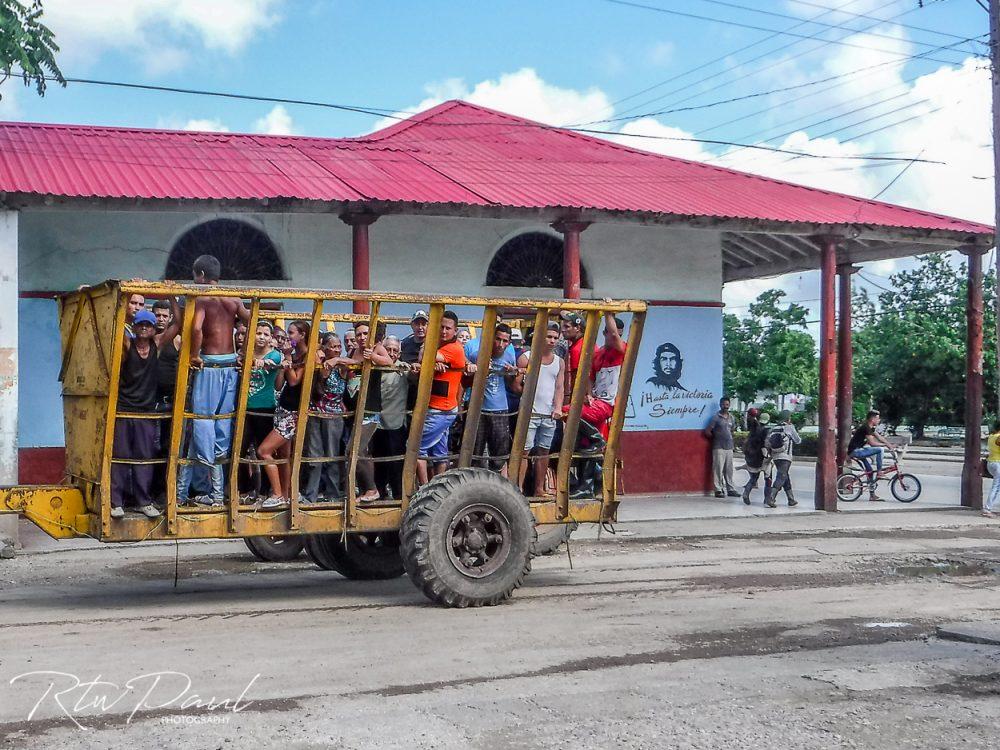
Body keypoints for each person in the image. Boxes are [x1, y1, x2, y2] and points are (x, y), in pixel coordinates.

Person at [176, 255, 249, 507]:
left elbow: (196, 329)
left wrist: (194, 355)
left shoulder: (202, 298)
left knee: (203, 422)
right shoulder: (233, 298)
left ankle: (193, 494)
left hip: (210, 364)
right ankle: (217, 494)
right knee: (222, 423)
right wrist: (243, 352)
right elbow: (252, 319)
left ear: (201, 276)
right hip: (230, 364)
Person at [112, 305, 181, 519]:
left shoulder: (157, 345)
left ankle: (144, 501)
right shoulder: (126, 344)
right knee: (121, 456)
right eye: (140, 324)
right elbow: (114, 324)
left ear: (153, 329)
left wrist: (171, 296)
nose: (144, 328)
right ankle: (116, 502)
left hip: (147, 411)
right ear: (134, 326)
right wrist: (125, 298)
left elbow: (178, 323)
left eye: (148, 325)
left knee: (144, 456)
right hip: (124, 409)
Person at [257, 319, 311, 509]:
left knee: (264, 451)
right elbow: (279, 384)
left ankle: (278, 494)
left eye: (292, 332)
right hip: (283, 407)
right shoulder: (293, 355)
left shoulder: (307, 355)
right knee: (282, 456)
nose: (289, 336)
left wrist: (287, 358)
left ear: (302, 335)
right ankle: (286, 496)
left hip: (293, 413)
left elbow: (295, 381)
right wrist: (284, 363)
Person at [513, 322, 565, 497]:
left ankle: (539, 489)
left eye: (555, 338)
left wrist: (558, 407)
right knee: (524, 452)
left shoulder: (559, 362)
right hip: (530, 414)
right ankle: (518, 489)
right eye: (548, 336)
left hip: (549, 414)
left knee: (544, 452)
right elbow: (516, 386)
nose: (551, 341)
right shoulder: (526, 357)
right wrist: (526, 399)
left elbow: (559, 387)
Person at [343, 321, 393, 503]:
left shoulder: (377, 348)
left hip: (370, 410)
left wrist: (372, 356)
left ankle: (372, 489)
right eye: (359, 334)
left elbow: (388, 362)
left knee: (353, 450)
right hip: (354, 410)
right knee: (361, 451)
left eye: (365, 333)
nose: (362, 337)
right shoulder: (353, 352)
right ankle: (365, 490)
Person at [415, 310, 465, 483]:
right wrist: (434, 363)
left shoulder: (453, 349)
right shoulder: (442, 347)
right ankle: (438, 487)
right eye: (441, 327)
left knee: (415, 447)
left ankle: (424, 488)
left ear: (455, 330)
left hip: (441, 409)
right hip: (439, 407)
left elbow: (423, 356)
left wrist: (430, 358)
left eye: (448, 328)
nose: (444, 331)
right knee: (439, 451)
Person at [465, 323, 518, 474]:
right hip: (478, 409)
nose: (501, 344)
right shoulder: (478, 353)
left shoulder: (510, 354)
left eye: (505, 341)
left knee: (500, 455)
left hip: (500, 408)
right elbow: (465, 377)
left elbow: (511, 384)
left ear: (509, 342)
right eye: (498, 339)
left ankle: (499, 485)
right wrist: (476, 369)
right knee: (474, 452)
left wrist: (513, 373)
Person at [303, 332, 347, 503]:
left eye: (338, 346)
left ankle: (333, 494)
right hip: (315, 413)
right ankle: (311, 495)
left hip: (334, 415)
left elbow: (357, 361)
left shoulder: (341, 365)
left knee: (332, 455)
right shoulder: (318, 361)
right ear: (325, 347)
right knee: (314, 456)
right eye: (333, 347)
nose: (337, 350)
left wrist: (337, 360)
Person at [241, 321, 283, 500]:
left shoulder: (275, 355)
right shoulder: (245, 353)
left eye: (266, 334)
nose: (261, 337)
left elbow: (271, 363)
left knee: (263, 450)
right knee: (240, 449)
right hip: (245, 409)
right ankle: (244, 489)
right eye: (259, 333)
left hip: (265, 408)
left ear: (271, 338)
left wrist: (260, 361)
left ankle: (266, 491)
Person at [373, 335, 409, 499]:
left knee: (396, 464)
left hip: (396, 424)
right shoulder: (374, 368)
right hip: (377, 424)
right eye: (388, 350)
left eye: (395, 350)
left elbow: (415, 375)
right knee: (378, 463)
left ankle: (398, 497)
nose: (392, 353)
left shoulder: (403, 369)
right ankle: (380, 494)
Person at [581, 312, 627, 438]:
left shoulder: (621, 349)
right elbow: (591, 378)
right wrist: (589, 395)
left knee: (571, 412)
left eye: (620, 335)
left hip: (610, 403)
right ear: (604, 333)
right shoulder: (598, 353)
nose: (617, 338)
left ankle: (595, 441)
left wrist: (608, 314)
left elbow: (613, 334)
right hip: (597, 400)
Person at [848, 409, 895, 501]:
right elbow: (872, 443)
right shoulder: (866, 427)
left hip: (859, 451)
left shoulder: (870, 428)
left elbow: (879, 437)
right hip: (856, 451)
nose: (879, 420)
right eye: (877, 418)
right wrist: (885, 446)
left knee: (869, 471)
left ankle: (872, 495)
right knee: (880, 450)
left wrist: (890, 445)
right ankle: (879, 472)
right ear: (872, 419)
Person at [765, 410, 801, 508]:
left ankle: (791, 499)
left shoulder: (774, 428)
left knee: (785, 476)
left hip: (776, 456)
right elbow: (798, 440)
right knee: (781, 477)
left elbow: (767, 442)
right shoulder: (789, 427)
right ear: (788, 418)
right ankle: (771, 498)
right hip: (785, 456)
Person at [705, 396, 740, 498]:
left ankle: (731, 489)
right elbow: (707, 431)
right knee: (718, 469)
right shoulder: (716, 417)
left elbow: (732, 430)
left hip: (729, 447)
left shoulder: (732, 418)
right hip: (718, 447)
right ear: (720, 405)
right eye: (724, 404)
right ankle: (718, 489)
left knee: (729, 470)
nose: (725, 406)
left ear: (729, 405)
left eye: (727, 405)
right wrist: (715, 437)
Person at [741, 409, 773, 505]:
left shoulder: (754, 429)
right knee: (768, 478)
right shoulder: (767, 430)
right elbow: (767, 444)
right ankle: (767, 499)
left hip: (754, 457)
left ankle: (746, 493)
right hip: (765, 457)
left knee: (754, 478)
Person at [559, 311, 586, 401]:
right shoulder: (584, 344)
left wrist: (574, 401)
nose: (563, 329)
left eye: (567, 327)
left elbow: (578, 378)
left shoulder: (578, 349)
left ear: (577, 328)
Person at [983, 420, 1000, 518]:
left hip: (991, 463)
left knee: (997, 486)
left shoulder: (991, 436)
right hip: (998, 464)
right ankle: (987, 509)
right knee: (996, 487)